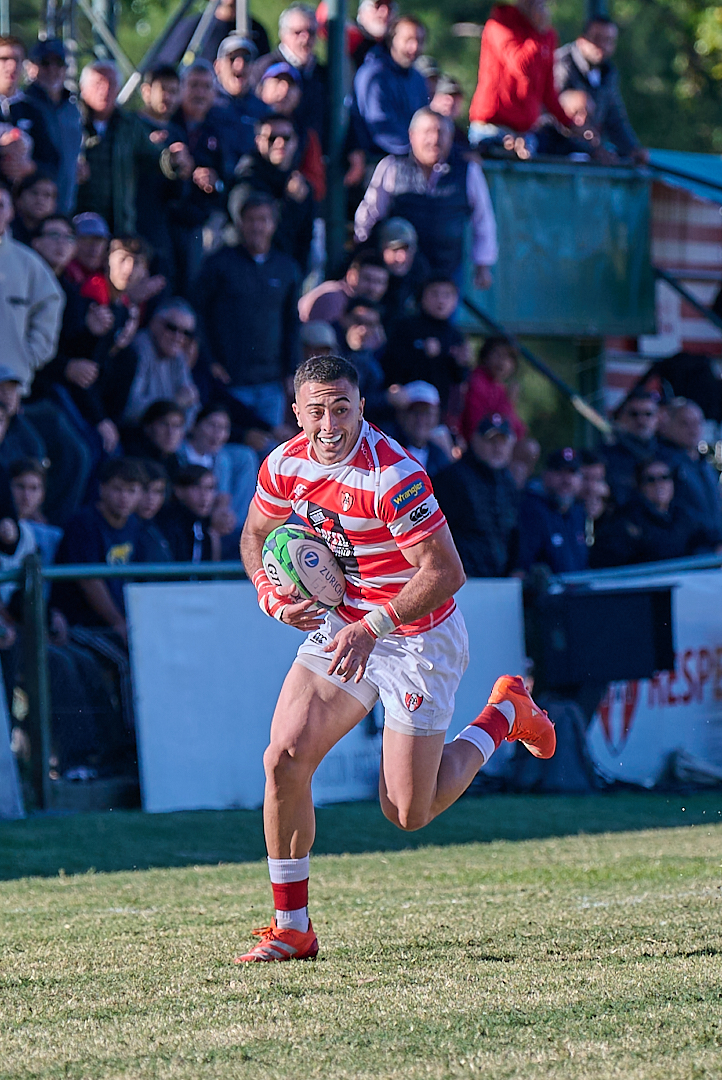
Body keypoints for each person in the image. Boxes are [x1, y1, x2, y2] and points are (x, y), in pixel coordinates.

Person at [235, 353, 555, 962]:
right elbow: (255, 535)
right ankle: (292, 928)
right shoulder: (284, 463)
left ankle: (505, 715)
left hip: (416, 636)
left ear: (362, 407)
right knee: (284, 760)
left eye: (342, 409)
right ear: (296, 413)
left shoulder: (394, 475)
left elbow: (447, 572)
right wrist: (269, 594)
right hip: (347, 626)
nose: (330, 424)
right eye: (317, 411)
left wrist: (374, 625)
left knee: (408, 811)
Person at [355, 108, 497, 287]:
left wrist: (483, 265)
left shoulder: (468, 170)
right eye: (428, 132)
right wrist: (364, 253)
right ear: (412, 135)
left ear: (451, 137)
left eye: (441, 133)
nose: (435, 139)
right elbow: (370, 213)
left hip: (447, 270)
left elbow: (483, 220)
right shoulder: (391, 166)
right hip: (398, 273)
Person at [194, 193, 301, 428]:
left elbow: (292, 323)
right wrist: (210, 361)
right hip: (230, 381)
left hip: (271, 382)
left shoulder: (286, 268)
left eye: (263, 220)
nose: (257, 227)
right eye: (251, 219)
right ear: (240, 223)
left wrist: (291, 371)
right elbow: (199, 314)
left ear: (273, 224)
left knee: (270, 446)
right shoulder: (218, 264)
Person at [75, 60, 188, 236]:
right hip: (76, 219)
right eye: (98, 83)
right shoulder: (69, 121)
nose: (105, 90)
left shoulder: (129, 125)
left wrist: (172, 159)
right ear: (83, 88)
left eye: (111, 84)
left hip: (117, 223)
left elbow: (154, 157)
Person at [468, 0, 572, 158]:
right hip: (491, 130)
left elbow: (548, 91)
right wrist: (538, 34)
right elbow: (521, 66)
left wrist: (570, 124)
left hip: (525, 134)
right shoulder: (500, 25)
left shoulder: (547, 35)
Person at [435, 413, 519, 578]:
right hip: (464, 581)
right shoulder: (452, 479)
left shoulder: (509, 483)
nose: (497, 448)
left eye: (502, 441)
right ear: (475, 441)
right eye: (491, 441)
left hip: (501, 581)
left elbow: (513, 536)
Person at [591, 457, 715, 568]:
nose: (659, 484)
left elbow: (709, 537)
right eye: (651, 480)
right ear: (640, 485)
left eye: (664, 477)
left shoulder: (684, 515)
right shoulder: (626, 519)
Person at [0, 180, 64, 392]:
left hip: (9, 387)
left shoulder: (29, 264)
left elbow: (50, 303)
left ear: (11, 212)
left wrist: (25, 357)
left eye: (1, 205)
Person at [555, 17, 647, 163]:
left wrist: (632, 149)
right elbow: (551, 116)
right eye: (597, 38)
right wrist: (591, 149)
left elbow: (615, 120)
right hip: (556, 154)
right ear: (582, 40)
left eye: (609, 40)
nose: (602, 45)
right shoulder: (561, 65)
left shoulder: (608, 73)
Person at [233, 114, 314, 271]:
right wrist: (291, 203)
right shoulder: (246, 180)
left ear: (296, 142)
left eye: (286, 138)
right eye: (272, 138)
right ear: (258, 142)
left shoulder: (299, 184)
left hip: (287, 273)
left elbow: (304, 241)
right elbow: (256, 237)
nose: (280, 143)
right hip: (246, 269)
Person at [104, 298, 200, 426]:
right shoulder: (138, 350)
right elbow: (129, 408)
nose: (178, 337)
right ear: (154, 323)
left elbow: (193, 406)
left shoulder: (178, 357)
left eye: (186, 333)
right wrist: (174, 404)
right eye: (172, 327)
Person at [382, 276, 469, 413]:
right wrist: (421, 353)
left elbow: (458, 379)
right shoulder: (405, 326)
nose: (441, 300)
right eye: (434, 294)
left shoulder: (455, 335)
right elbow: (391, 364)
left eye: (447, 295)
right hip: (404, 406)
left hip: (438, 410)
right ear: (422, 296)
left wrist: (461, 364)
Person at [350, 14, 429, 159]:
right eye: (408, 40)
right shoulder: (373, 75)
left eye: (420, 41)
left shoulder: (418, 78)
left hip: (413, 158)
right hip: (380, 161)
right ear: (392, 40)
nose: (415, 47)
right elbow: (381, 128)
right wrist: (417, 150)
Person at [22, 39, 83, 214]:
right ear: (31, 67)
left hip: (66, 204)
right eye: (45, 63)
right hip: (31, 207)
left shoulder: (73, 108)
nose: (52, 69)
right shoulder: (22, 104)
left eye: (59, 63)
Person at [179, 403, 258, 531]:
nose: (217, 434)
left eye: (223, 428)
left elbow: (223, 497)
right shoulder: (179, 453)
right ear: (195, 425)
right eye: (212, 425)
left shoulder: (221, 459)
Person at [657, 398, 722, 544]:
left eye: (697, 423)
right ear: (669, 424)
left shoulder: (705, 464)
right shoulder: (662, 464)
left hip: (714, 546)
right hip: (688, 547)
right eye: (684, 423)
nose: (693, 430)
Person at [515, 447, 588, 574]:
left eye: (572, 472)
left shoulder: (579, 513)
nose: (567, 480)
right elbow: (520, 570)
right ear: (545, 475)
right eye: (559, 472)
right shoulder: (532, 511)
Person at [598, 390, 668, 510]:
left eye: (648, 414)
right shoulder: (605, 457)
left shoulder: (668, 455)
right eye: (634, 414)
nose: (641, 420)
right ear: (622, 417)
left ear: (658, 418)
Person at [212, 34, 270, 177]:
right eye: (232, 58)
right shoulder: (207, 104)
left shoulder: (263, 110)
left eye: (246, 59)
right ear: (218, 66)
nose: (240, 65)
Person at [156, 463, 231, 562]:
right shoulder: (168, 524)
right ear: (179, 491)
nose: (204, 496)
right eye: (196, 487)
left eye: (210, 488)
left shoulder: (206, 526)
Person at [461, 336, 526, 443]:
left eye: (509, 358)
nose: (503, 362)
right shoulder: (476, 381)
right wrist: (508, 402)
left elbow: (519, 431)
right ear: (486, 356)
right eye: (498, 355)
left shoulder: (500, 388)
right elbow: (480, 427)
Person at [298, 250, 389, 324]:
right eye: (367, 279)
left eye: (379, 282)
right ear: (350, 275)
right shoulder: (333, 299)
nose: (373, 288)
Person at [385, 380, 453, 477]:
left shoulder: (440, 458)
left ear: (437, 417)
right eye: (415, 412)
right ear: (401, 415)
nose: (421, 420)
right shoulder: (386, 447)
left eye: (427, 413)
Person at [11, 171, 57, 245]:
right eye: (34, 192)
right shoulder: (6, 228)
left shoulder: (57, 236)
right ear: (19, 198)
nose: (40, 200)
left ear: (54, 204)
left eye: (47, 195)